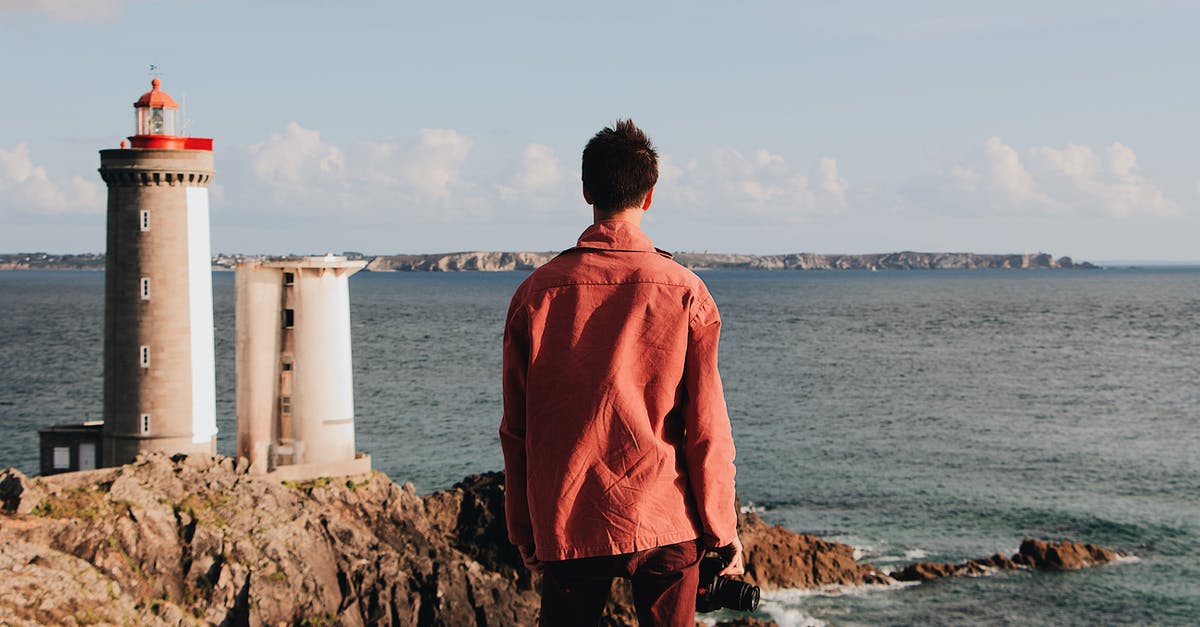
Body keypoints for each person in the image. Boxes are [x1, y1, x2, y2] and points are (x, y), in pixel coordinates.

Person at [499, 119, 743, 626]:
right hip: (664, 516)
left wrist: (524, 528)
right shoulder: (684, 291)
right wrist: (722, 530)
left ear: (586, 190)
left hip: (569, 516)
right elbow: (706, 430)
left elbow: (518, 430)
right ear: (649, 195)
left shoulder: (536, 294)